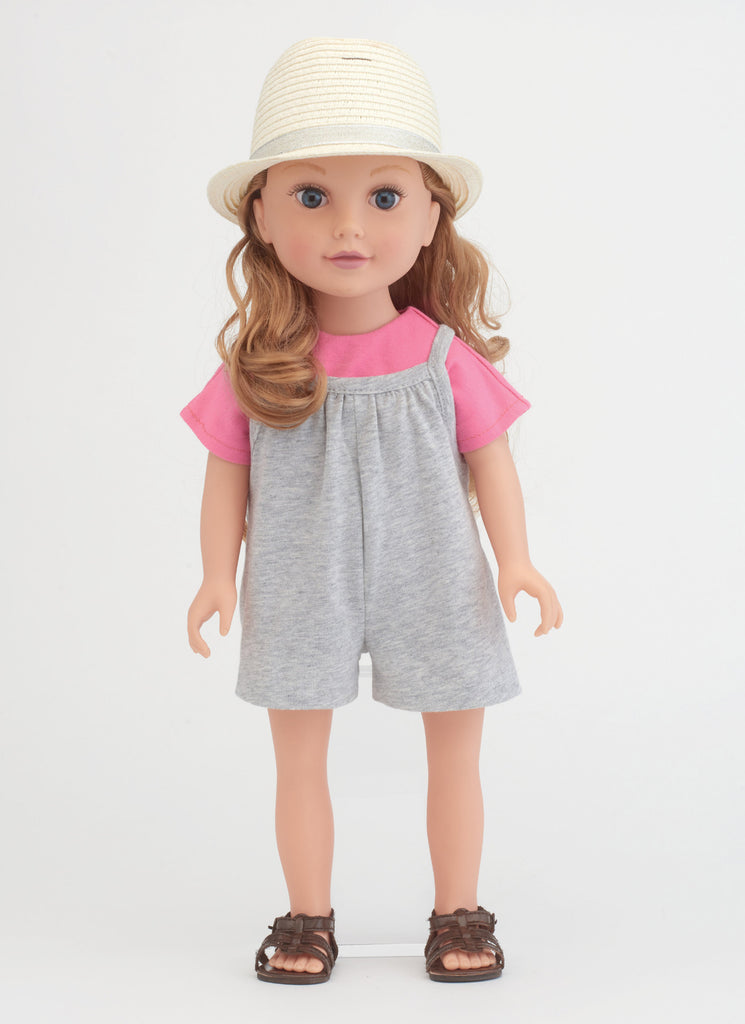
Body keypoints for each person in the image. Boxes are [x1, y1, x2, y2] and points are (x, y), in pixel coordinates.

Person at [181, 37, 562, 985]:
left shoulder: (441, 357)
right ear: (261, 215)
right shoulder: (261, 367)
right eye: (311, 196)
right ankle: (306, 918)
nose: (349, 227)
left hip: (434, 569)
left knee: (454, 754)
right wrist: (216, 576)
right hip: (296, 575)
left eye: (384, 197)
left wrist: (516, 561)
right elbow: (225, 473)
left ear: (431, 215)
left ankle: (457, 911)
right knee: (298, 758)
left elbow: (492, 461)